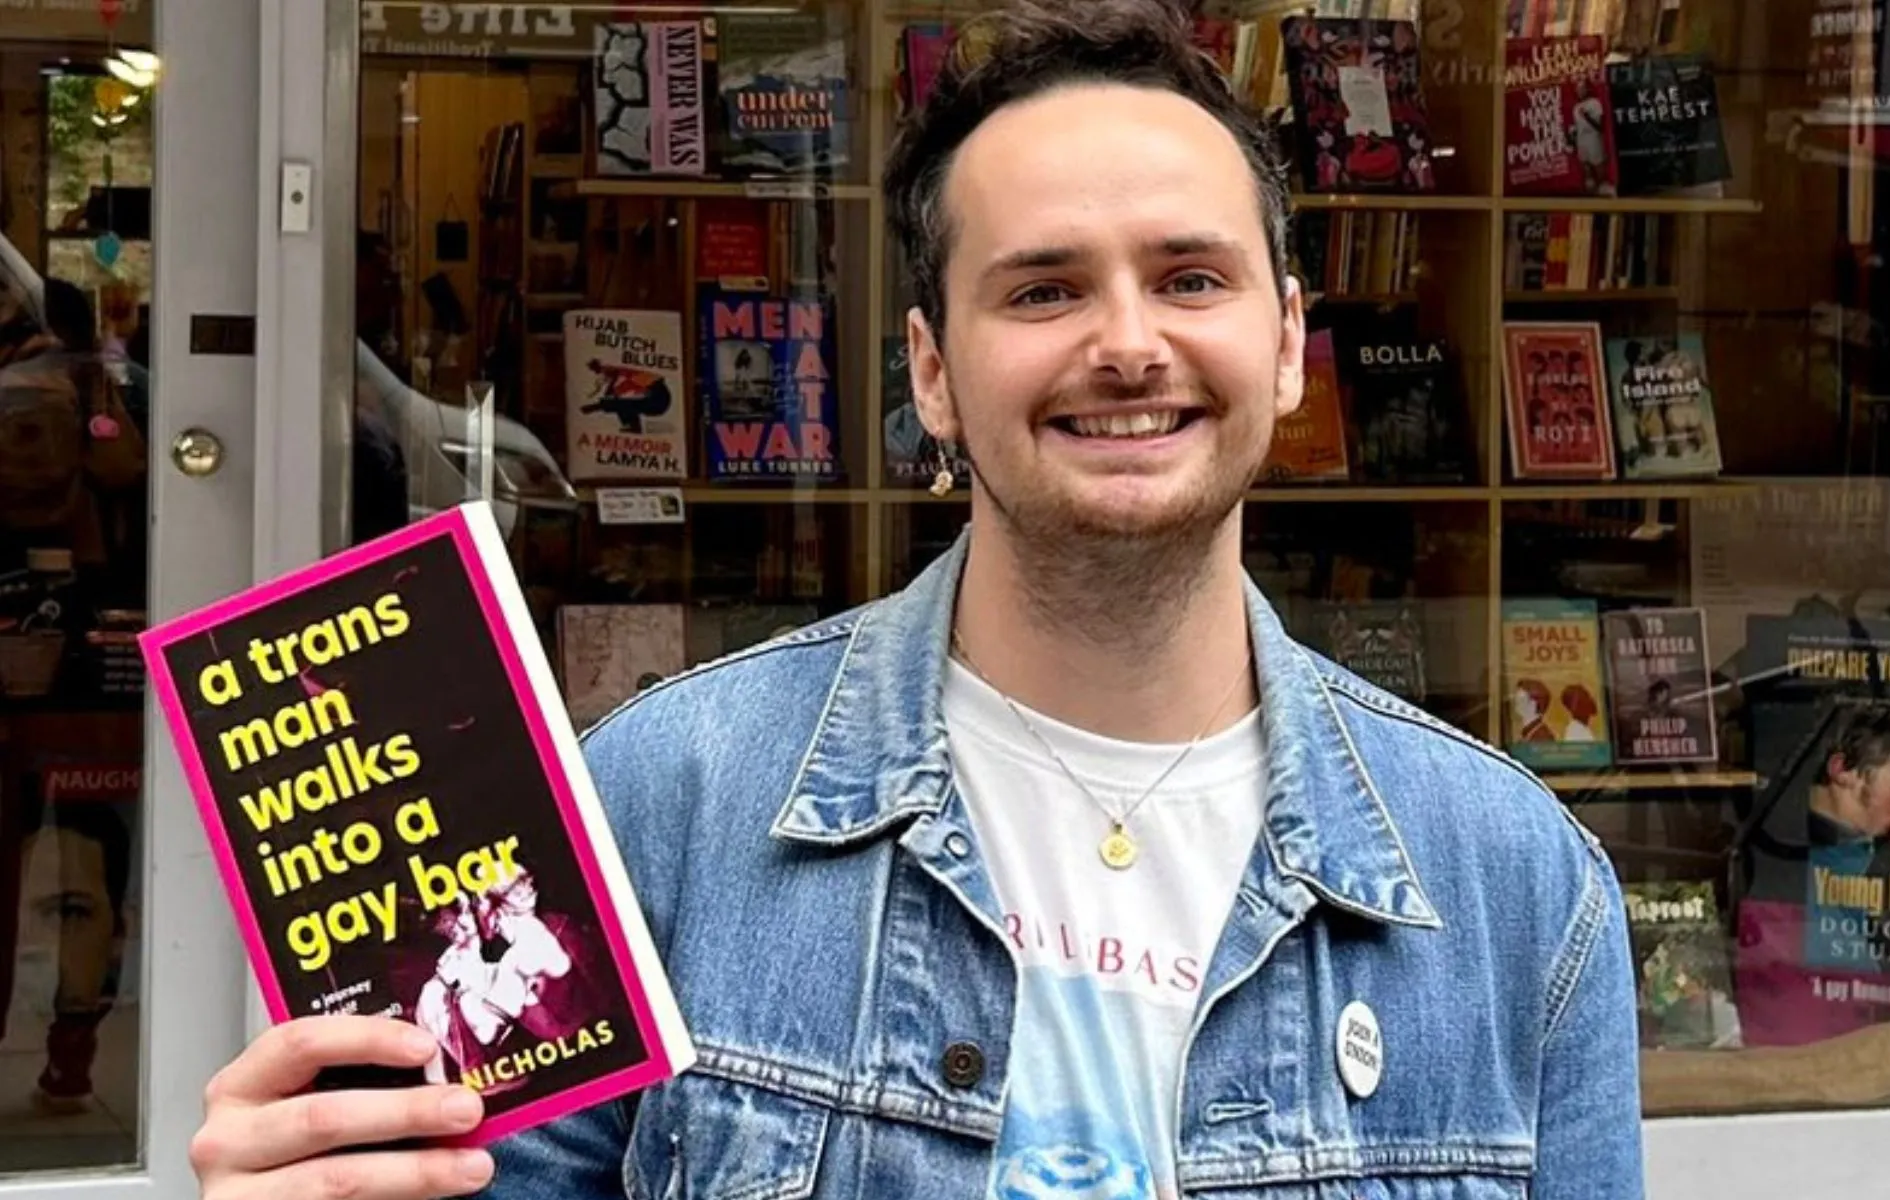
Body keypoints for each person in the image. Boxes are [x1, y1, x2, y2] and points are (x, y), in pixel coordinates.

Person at [187, 4, 1643, 1199]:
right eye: (1043, 291)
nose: (1128, 345)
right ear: (932, 372)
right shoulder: (664, 807)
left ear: (1285, 348)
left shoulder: (1520, 887)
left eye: (1190, 277)